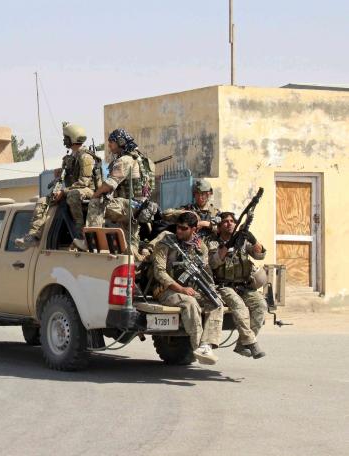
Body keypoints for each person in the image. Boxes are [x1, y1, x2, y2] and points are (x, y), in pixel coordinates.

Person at [151, 211, 223, 365]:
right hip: (167, 290)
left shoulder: (200, 247)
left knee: (216, 302)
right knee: (189, 303)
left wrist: (209, 290)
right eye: (178, 227)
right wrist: (181, 289)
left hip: (191, 289)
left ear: (194, 230)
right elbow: (160, 273)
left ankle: (206, 345)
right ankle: (198, 346)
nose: (179, 231)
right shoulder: (166, 243)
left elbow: (205, 271)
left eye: (184, 229)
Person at [15, 122, 99, 248]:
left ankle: (82, 235)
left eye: (66, 137)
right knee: (43, 200)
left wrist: (63, 192)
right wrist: (60, 175)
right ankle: (33, 236)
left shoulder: (85, 157)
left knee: (72, 195)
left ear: (72, 138)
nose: (64, 140)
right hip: (72, 189)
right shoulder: (69, 158)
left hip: (87, 190)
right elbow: (66, 177)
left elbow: (84, 182)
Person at [208, 212, 267, 358]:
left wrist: (253, 241)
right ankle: (251, 343)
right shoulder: (213, 243)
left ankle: (242, 345)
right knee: (240, 308)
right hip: (224, 286)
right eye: (225, 222)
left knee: (260, 306)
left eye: (232, 221)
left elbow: (260, 255)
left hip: (244, 286)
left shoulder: (243, 242)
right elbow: (214, 263)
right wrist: (228, 245)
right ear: (219, 227)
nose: (229, 223)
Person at [75, 128, 142, 257]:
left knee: (96, 203)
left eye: (112, 141)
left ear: (121, 142)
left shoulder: (125, 160)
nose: (109, 145)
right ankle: (136, 264)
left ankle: (90, 242)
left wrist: (96, 193)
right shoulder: (138, 158)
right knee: (129, 247)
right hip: (139, 207)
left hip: (130, 205)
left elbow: (109, 184)